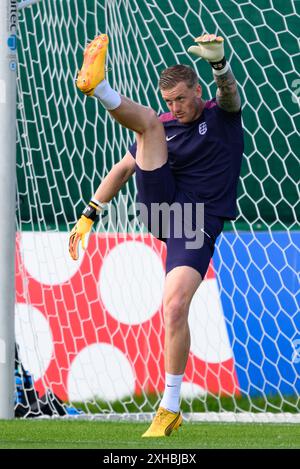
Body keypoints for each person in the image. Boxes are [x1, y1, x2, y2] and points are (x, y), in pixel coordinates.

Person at [69, 33, 244, 437]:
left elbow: (230, 96)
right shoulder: (164, 124)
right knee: (149, 126)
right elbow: (121, 169)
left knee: (174, 308)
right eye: (170, 101)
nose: (175, 108)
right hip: (164, 208)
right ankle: (100, 88)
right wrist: (89, 213)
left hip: (195, 224)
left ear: (197, 91)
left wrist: (220, 65)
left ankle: (169, 407)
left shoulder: (221, 115)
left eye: (181, 99)